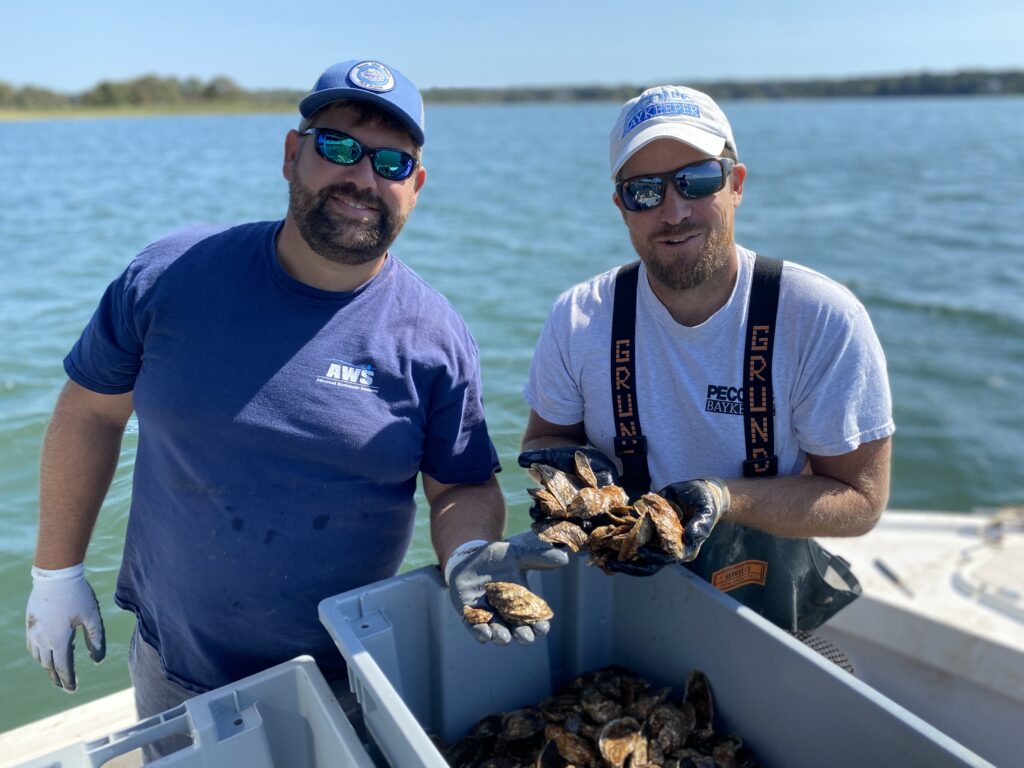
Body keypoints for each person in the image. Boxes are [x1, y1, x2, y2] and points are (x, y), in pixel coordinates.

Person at [25, 58, 560, 743]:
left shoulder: (434, 337)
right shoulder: (171, 275)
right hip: (173, 666)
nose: (362, 178)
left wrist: (468, 557)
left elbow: (459, 484)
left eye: (392, 164)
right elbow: (89, 412)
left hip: (343, 674)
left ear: (415, 187)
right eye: (338, 147)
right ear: (291, 153)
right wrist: (56, 572)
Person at [519, 85, 894, 625]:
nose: (674, 211)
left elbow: (861, 501)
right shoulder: (579, 317)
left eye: (697, 180)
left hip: (761, 608)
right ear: (621, 206)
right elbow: (542, 441)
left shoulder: (820, 317)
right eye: (644, 191)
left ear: (736, 184)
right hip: (616, 597)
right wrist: (573, 478)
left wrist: (724, 498)